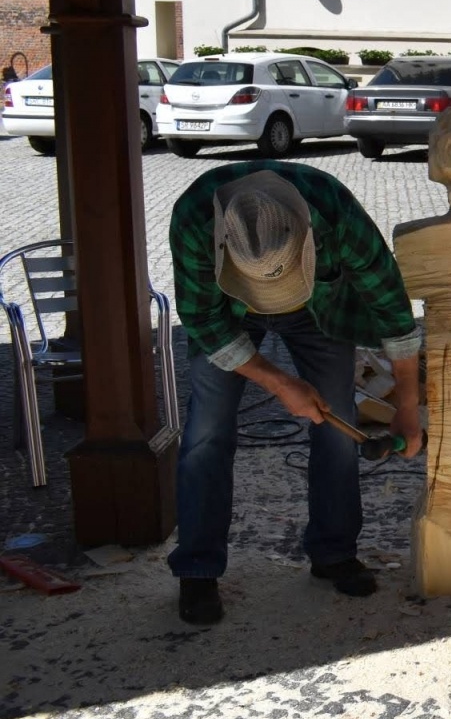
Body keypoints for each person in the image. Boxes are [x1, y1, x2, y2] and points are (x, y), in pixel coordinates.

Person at [166, 162, 424, 625]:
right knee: (206, 432)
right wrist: (281, 383)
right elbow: (203, 321)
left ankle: (334, 552)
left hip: (316, 308)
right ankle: (197, 568)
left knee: (338, 421)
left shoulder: (335, 212)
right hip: (227, 311)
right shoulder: (194, 220)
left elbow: (392, 310)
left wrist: (406, 405)